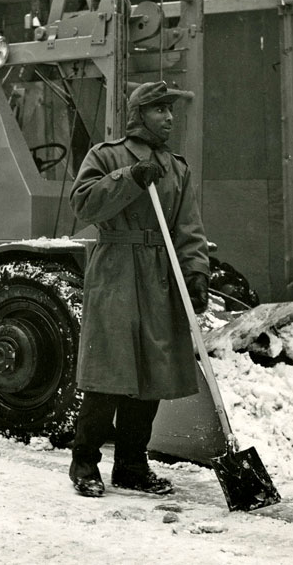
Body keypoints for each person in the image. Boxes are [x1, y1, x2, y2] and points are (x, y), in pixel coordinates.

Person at [68, 80, 211, 498]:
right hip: (115, 272)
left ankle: (131, 464)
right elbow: (84, 205)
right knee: (108, 374)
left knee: (153, 373)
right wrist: (129, 178)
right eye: (159, 110)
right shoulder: (106, 155)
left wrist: (196, 272)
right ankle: (84, 463)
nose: (168, 118)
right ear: (138, 115)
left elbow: (189, 227)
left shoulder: (177, 168)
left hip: (159, 277)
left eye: (170, 111)